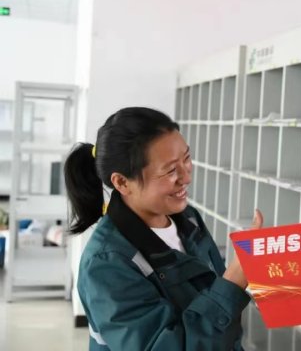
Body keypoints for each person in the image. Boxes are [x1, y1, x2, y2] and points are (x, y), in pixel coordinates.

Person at [64, 107, 262, 351]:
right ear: (122, 182)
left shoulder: (188, 218)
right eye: (170, 170)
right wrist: (232, 283)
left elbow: (211, 300)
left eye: (186, 159)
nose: (186, 177)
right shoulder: (106, 265)